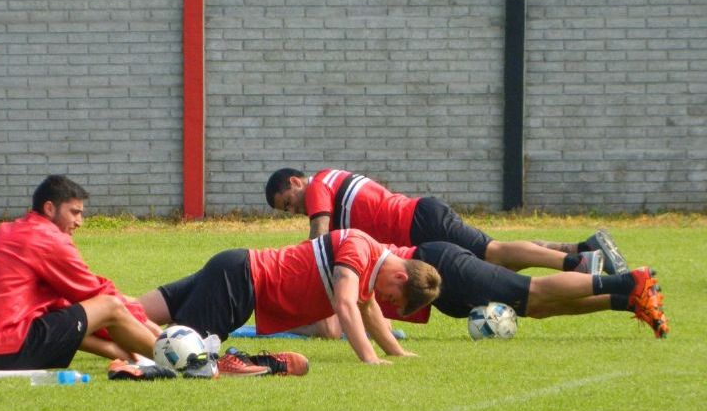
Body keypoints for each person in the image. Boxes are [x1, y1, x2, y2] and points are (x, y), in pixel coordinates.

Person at [137, 229, 441, 366]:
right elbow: (345, 304)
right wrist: (369, 358)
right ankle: (121, 351)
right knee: (181, 352)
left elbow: (369, 309)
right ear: (400, 277)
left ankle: (94, 315)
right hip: (240, 280)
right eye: (394, 298)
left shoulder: (370, 265)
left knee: (135, 312)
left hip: (235, 270)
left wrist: (396, 352)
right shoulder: (360, 249)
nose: (387, 301)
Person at [0, 175, 159, 370]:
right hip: (3, 352)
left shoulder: (12, 230)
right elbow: (95, 295)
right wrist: (145, 324)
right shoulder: (47, 238)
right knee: (109, 306)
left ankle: (131, 356)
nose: (80, 222)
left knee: (65, 314)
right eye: (75, 212)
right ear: (50, 208)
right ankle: (172, 358)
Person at [265, 167, 629, 275]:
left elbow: (319, 233)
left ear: (296, 182)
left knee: (494, 253)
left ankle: (577, 264)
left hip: (420, 221)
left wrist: (297, 264)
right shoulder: (329, 178)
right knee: (493, 257)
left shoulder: (317, 188)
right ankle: (584, 249)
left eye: (288, 202)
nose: (293, 209)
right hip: (421, 219)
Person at [383, 241, 669, 339]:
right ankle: (627, 300)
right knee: (538, 308)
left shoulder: (346, 257)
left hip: (440, 265)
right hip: (437, 280)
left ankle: (629, 281)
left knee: (534, 291)